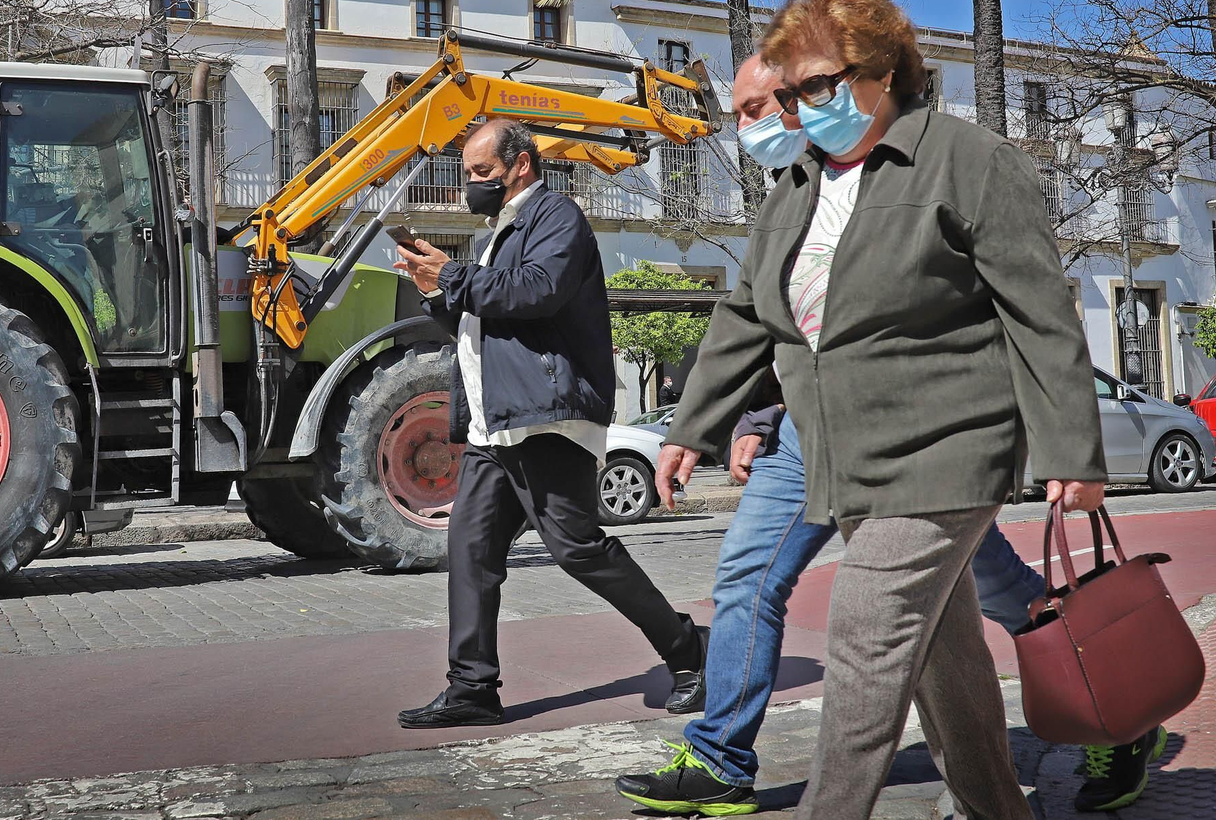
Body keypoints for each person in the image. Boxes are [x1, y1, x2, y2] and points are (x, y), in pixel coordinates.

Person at [616, 54, 1163, 816]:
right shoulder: (798, 189)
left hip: (933, 442)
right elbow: (771, 316)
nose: (745, 128)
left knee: (942, 608)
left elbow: (1027, 313)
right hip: (812, 435)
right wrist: (724, 420)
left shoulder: (951, 161)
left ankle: (1110, 699)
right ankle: (720, 756)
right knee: (761, 577)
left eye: (755, 108)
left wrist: (1070, 448)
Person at [391, 118, 707, 729]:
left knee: (578, 549)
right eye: (467, 175)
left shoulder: (557, 216)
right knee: (470, 550)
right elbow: (481, 313)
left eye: (482, 172)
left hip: (545, 419)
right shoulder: (493, 237)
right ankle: (472, 689)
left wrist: (453, 278)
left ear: (521, 165)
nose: (471, 185)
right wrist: (435, 288)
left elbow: (536, 292)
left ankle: (690, 652)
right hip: (493, 426)